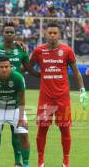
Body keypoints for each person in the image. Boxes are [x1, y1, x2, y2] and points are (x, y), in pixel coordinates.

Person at [0, 22, 40, 167]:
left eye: (11, 32)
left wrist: (47, 75)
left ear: (15, 34)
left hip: (15, 99)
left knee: (18, 134)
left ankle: (19, 163)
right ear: (2, 34)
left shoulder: (20, 50)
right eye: (6, 32)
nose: (9, 34)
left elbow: (29, 68)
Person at [29, 22, 88, 167]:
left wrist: (82, 90)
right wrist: (40, 75)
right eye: (50, 33)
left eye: (55, 33)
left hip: (62, 98)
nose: (52, 35)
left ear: (59, 35)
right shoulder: (39, 51)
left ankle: (65, 161)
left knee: (64, 128)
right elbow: (28, 66)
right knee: (42, 128)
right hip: (46, 98)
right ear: (45, 34)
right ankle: (40, 161)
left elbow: (76, 72)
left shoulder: (67, 50)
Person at [0, 56, 30, 167]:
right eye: (1, 67)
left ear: (10, 67)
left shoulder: (18, 78)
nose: (4, 69)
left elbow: (22, 100)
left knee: (24, 134)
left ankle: (25, 164)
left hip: (14, 109)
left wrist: (21, 119)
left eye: (6, 66)